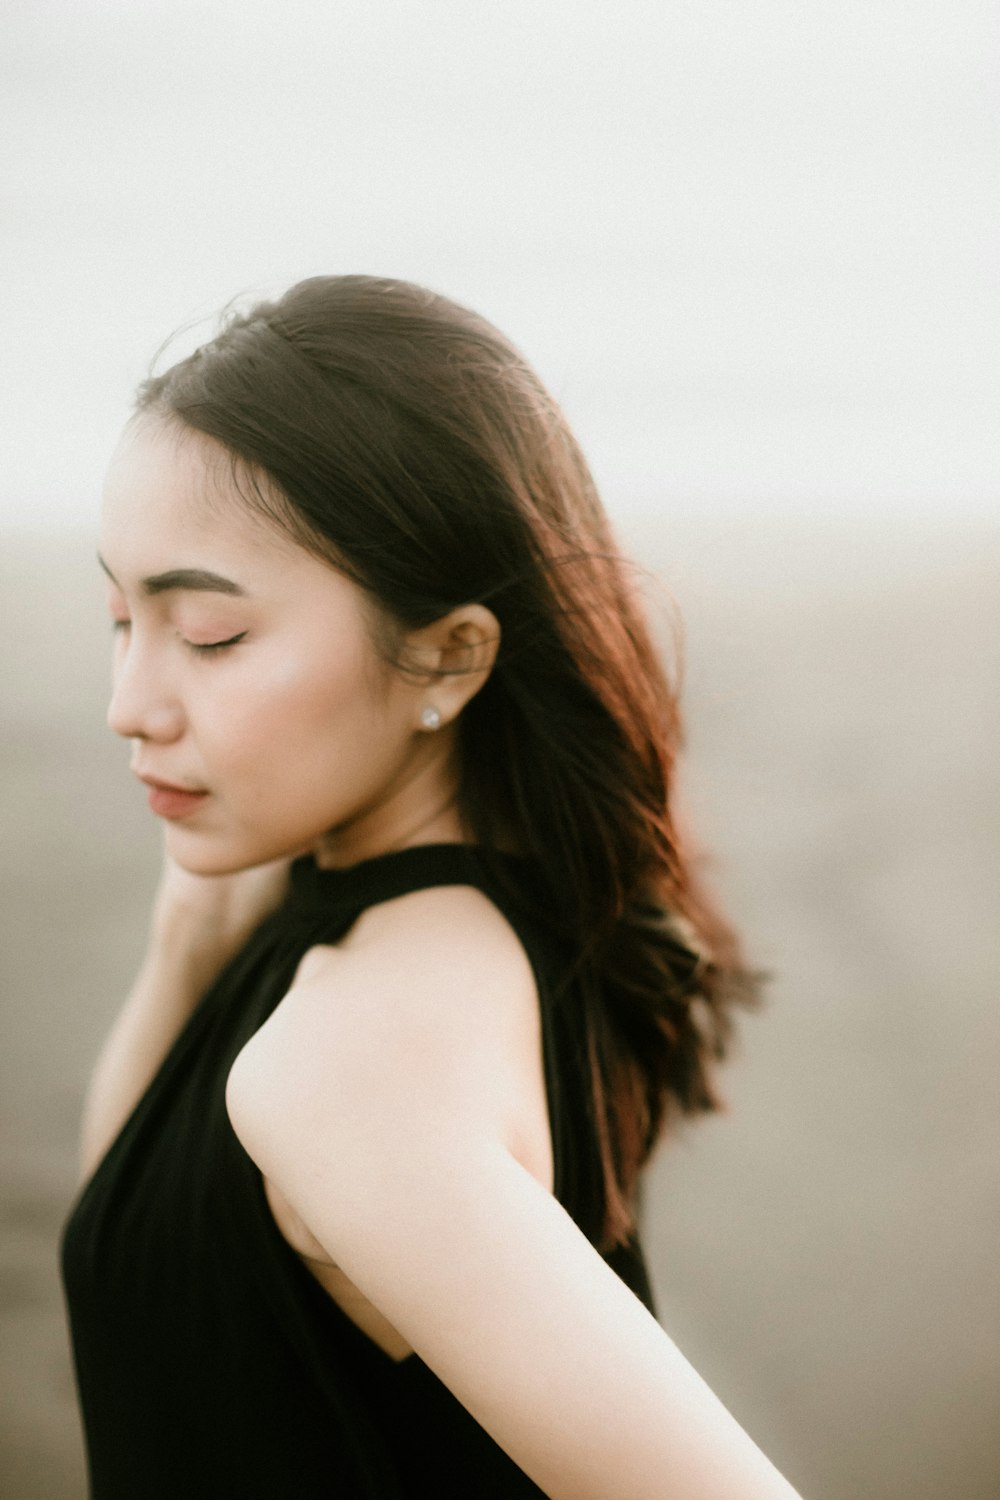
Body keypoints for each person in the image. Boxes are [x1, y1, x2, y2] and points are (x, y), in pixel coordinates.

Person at [61, 275, 802, 1499]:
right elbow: (140, 1256)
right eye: (117, 619)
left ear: (448, 655)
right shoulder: (474, 917)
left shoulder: (355, 1063)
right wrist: (191, 926)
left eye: (207, 636)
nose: (128, 707)